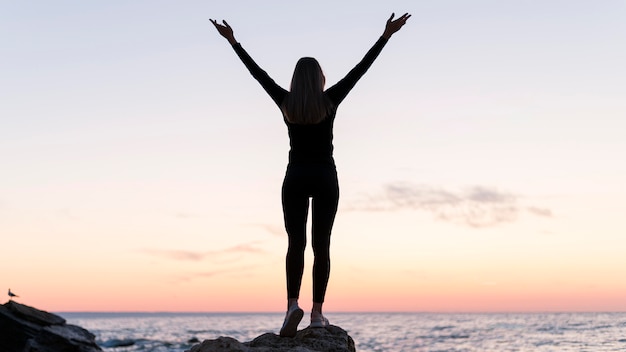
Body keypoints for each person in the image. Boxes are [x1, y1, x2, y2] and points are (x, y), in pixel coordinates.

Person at [210, 12, 410, 337]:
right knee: (322, 246)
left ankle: (292, 305)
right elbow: (361, 69)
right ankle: (317, 314)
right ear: (319, 79)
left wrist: (233, 42)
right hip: (326, 178)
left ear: (294, 80)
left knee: (295, 244)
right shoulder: (330, 101)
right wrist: (386, 35)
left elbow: (256, 74)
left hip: (295, 178)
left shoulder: (286, 102)